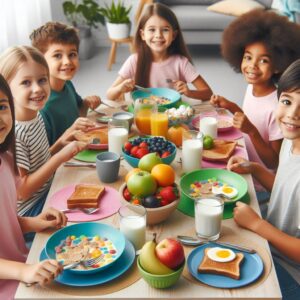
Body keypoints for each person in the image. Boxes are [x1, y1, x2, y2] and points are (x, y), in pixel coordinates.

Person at [227, 59, 300, 300]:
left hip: (291, 270)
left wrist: (258, 225)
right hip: (270, 240)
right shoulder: (291, 141)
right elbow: (286, 192)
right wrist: (256, 169)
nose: (292, 115)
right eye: (287, 101)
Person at [210, 9, 300, 204]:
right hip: (243, 161)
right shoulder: (252, 87)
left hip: (260, 188)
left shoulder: (278, 106)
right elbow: (250, 116)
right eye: (248, 57)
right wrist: (231, 106)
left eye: (263, 60)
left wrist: (251, 131)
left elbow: (273, 161)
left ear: (277, 66)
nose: (252, 66)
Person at [0, 73, 68, 300]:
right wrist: (24, 271)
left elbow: (6, 222)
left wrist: (32, 222)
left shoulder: (6, 156)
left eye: (1, 107)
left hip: (23, 262)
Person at [0, 46, 87, 218]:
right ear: (7, 89)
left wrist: (61, 142)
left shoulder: (36, 115)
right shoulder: (14, 133)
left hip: (47, 190)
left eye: (42, 80)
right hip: (31, 210)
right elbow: (23, 190)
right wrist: (61, 156)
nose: (38, 88)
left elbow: (37, 162)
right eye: (26, 82)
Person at [106, 3, 212, 101]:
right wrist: (120, 88)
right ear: (142, 35)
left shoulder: (181, 63)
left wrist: (190, 93)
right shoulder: (134, 61)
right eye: (152, 30)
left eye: (165, 30)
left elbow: (208, 93)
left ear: (174, 35)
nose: (158, 35)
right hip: (143, 116)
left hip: (172, 117)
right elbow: (109, 95)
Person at [30, 21, 101, 145]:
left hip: (77, 150)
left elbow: (78, 115)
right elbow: (45, 156)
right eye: (57, 55)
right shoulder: (41, 105)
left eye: (72, 54)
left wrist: (86, 104)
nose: (67, 61)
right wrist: (71, 130)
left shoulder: (67, 84)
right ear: (40, 60)